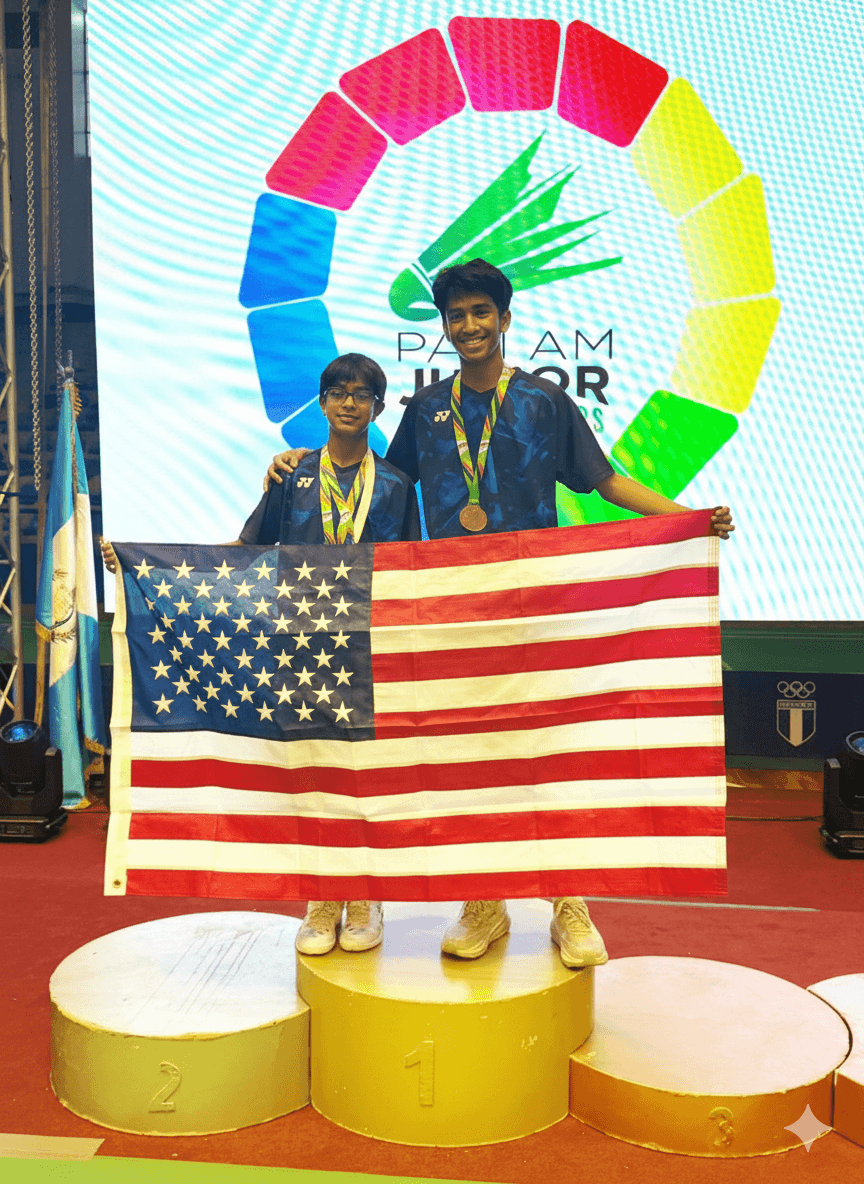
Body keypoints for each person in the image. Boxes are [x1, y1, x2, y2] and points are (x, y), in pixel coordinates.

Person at [262, 259, 735, 969]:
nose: (469, 325)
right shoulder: (425, 412)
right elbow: (377, 484)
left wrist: (690, 519)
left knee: (550, 752)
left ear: (505, 320)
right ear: (445, 327)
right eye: (456, 316)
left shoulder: (545, 402)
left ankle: (569, 902)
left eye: (481, 312)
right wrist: (299, 461)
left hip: (538, 604)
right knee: (473, 755)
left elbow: (605, 481)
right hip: (456, 611)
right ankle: (484, 902)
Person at [104, 352, 421, 958]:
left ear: (378, 408)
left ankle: (367, 892)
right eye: (337, 391)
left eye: (362, 394)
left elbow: (413, 569)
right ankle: (324, 894)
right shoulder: (292, 479)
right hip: (298, 641)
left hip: (367, 645)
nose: (349, 402)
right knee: (312, 773)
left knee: (364, 777)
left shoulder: (398, 486)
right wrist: (145, 561)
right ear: (322, 402)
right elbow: (242, 551)